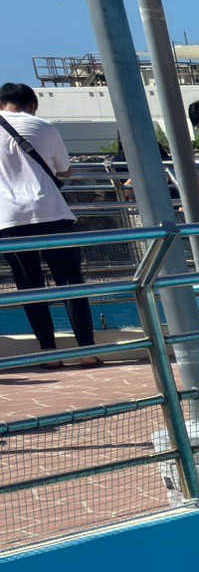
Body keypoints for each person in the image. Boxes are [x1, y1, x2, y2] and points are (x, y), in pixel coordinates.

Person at [0, 82, 95, 362]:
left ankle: (47, 352)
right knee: (70, 282)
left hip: (9, 219)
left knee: (28, 286)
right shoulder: (42, 126)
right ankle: (88, 350)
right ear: (32, 105)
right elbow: (64, 170)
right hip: (52, 212)